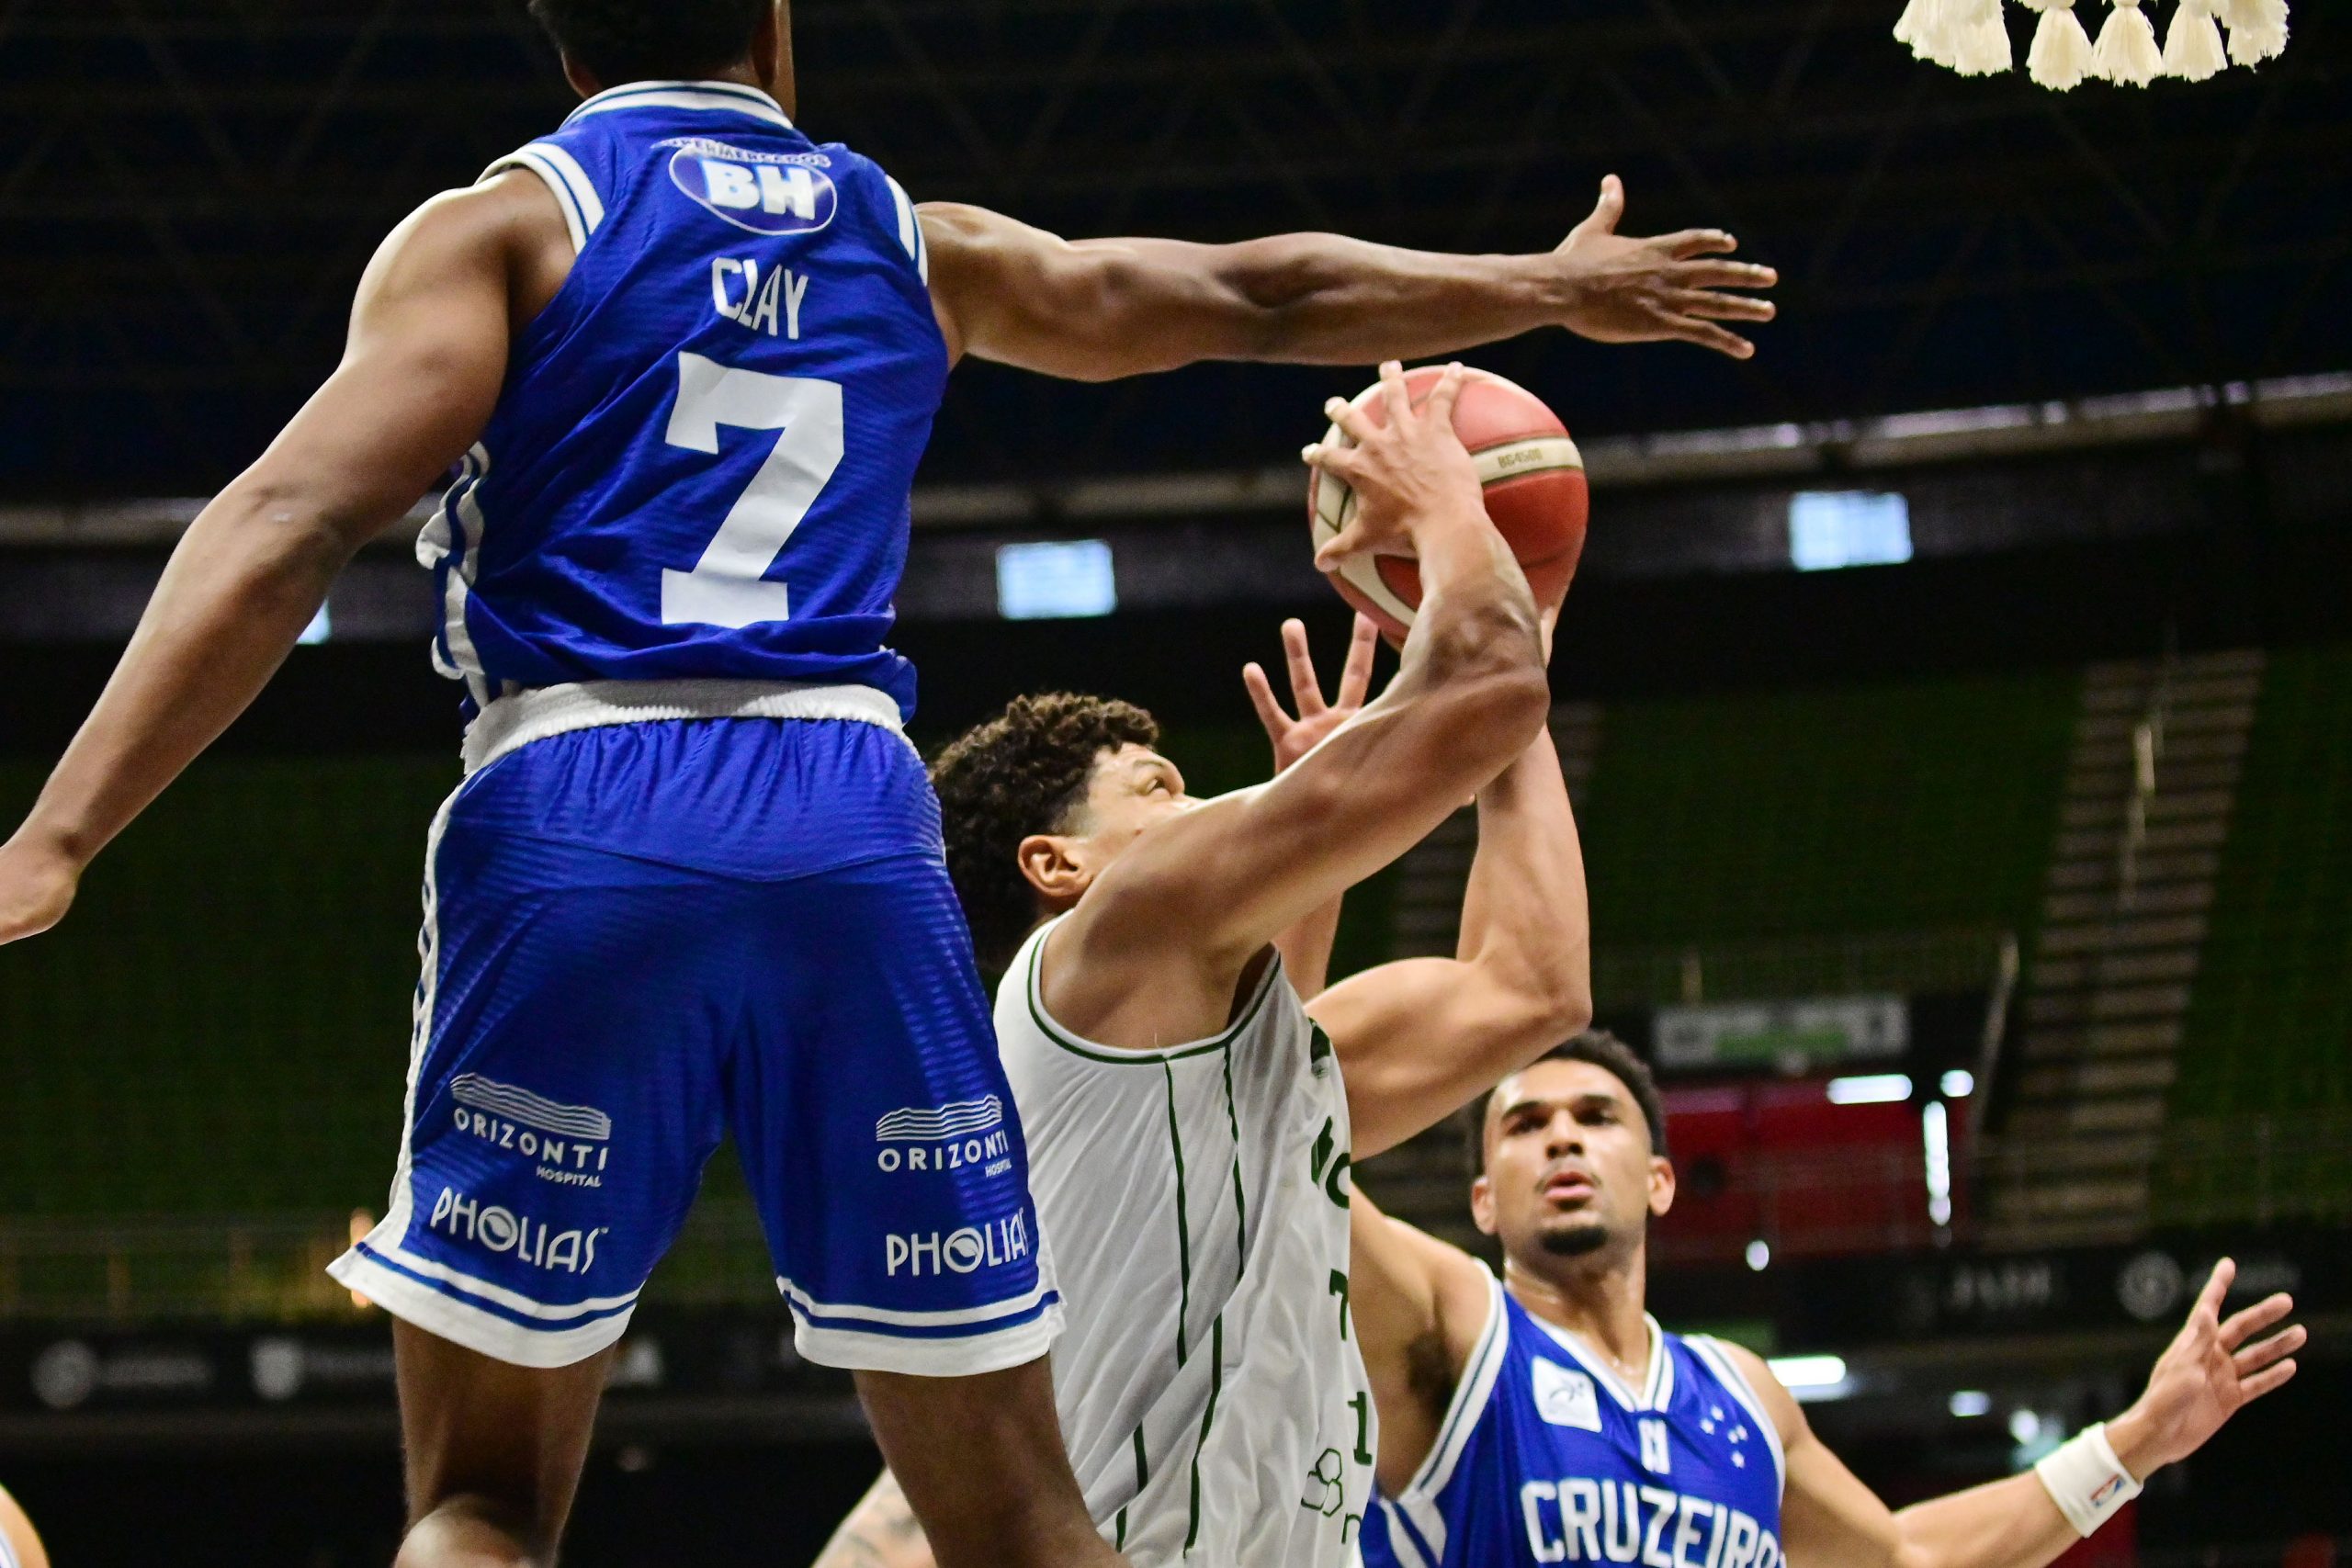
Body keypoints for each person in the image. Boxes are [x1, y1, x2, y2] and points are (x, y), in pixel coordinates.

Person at [0, 0, 1770, 1561]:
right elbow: (1257, 291)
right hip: (852, 819)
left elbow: (290, 517)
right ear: (777, 28)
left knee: (483, 1501)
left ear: (569, 49)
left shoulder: (512, 225)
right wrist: (1545, 289)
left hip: (581, 795)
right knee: (1022, 1517)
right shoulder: (913, 240)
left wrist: (58, 834)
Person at [818, 362, 1592, 1567]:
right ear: (1059, 864)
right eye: (1159, 789)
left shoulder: (1214, 1077)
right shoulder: (1112, 932)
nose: (1208, 809)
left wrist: (1506, 647)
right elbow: (1483, 687)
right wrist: (1456, 514)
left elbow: (1530, 984)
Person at [1351, 1031, 2309, 1568]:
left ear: (1659, 1181)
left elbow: (1904, 1559)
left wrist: (2137, 1441)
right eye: (1525, 1124)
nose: (1562, 1137)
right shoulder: (1453, 1324)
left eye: (1595, 1117)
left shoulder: (1741, 1394)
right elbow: (1294, 1168)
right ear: (1483, 1198)